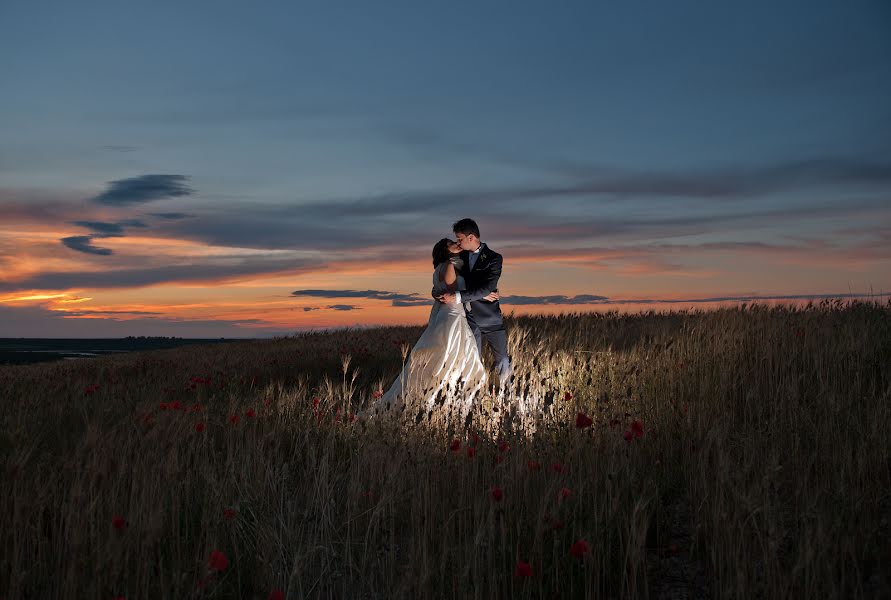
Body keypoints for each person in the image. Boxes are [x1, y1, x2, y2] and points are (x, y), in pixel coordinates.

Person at [363, 238, 496, 423]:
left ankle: (448, 399)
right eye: (451, 243)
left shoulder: (443, 267)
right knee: (451, 356)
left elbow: (441, 290)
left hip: (450, 315)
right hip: (452, 317)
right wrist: (482, 293)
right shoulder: (449, 265)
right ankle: (444, 401)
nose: (456, 243)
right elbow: (453, 294)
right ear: (444, 250)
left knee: (452, 357)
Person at [434, 218, 512, 386]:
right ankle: (474, 395)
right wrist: (437, 291)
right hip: (469, 319)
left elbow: (488, 287)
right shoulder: (459, 257)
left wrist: (458, 296)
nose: (458, 243)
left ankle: (507, 393)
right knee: (473, 360)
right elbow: (451, 279)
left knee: (501, 359)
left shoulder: (494, 258)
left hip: (490, 317)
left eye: (459, 239)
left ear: (470, 237)